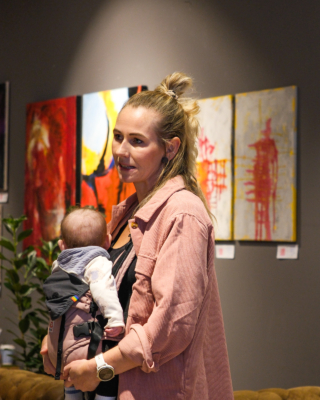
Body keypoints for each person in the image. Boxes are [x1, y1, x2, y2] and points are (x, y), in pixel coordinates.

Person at [41, 72, 234, 400]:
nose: (121, 150)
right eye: (118, 137)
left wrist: (99, 368)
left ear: (170, 148)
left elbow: (170, 327)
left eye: (137, 141)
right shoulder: (126, 215)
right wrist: (58, 340)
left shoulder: (183, 214)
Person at [43, 207, 125, 400]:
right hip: (85, 346)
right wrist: (114, 319)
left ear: (62, 245)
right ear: (107, 241)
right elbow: (103, 290)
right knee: (107, 383)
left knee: (70, 383)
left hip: (58, 347)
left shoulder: (58, 266)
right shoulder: (97, 262)